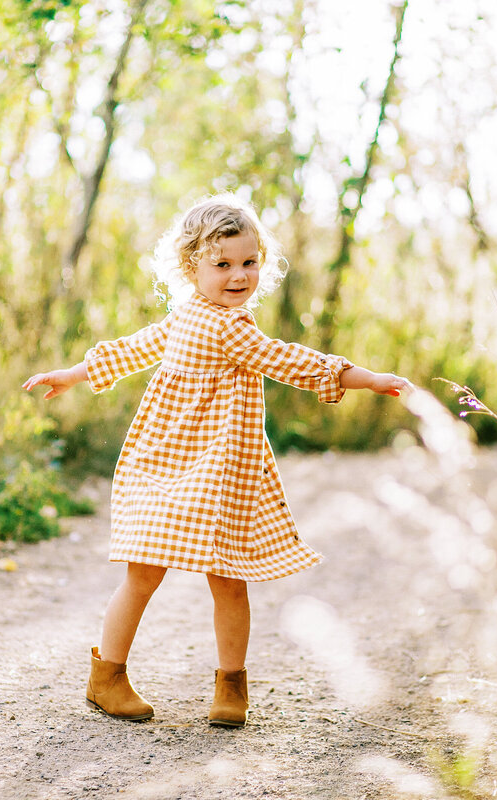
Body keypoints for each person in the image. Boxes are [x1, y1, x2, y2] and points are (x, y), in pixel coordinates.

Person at [23, 193, 410, 728]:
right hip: (174, 466)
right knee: (152, 574)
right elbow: (289, 361)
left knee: (218, 575)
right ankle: (111, 677)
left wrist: (72, 374)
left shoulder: (208, 318)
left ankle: (223, 686)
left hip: (212, 470)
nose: (238, 275)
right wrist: (364, 378)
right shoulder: (211, 323)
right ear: (191, 267)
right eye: (222, 264)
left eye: (249, 262)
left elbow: (281, 359)